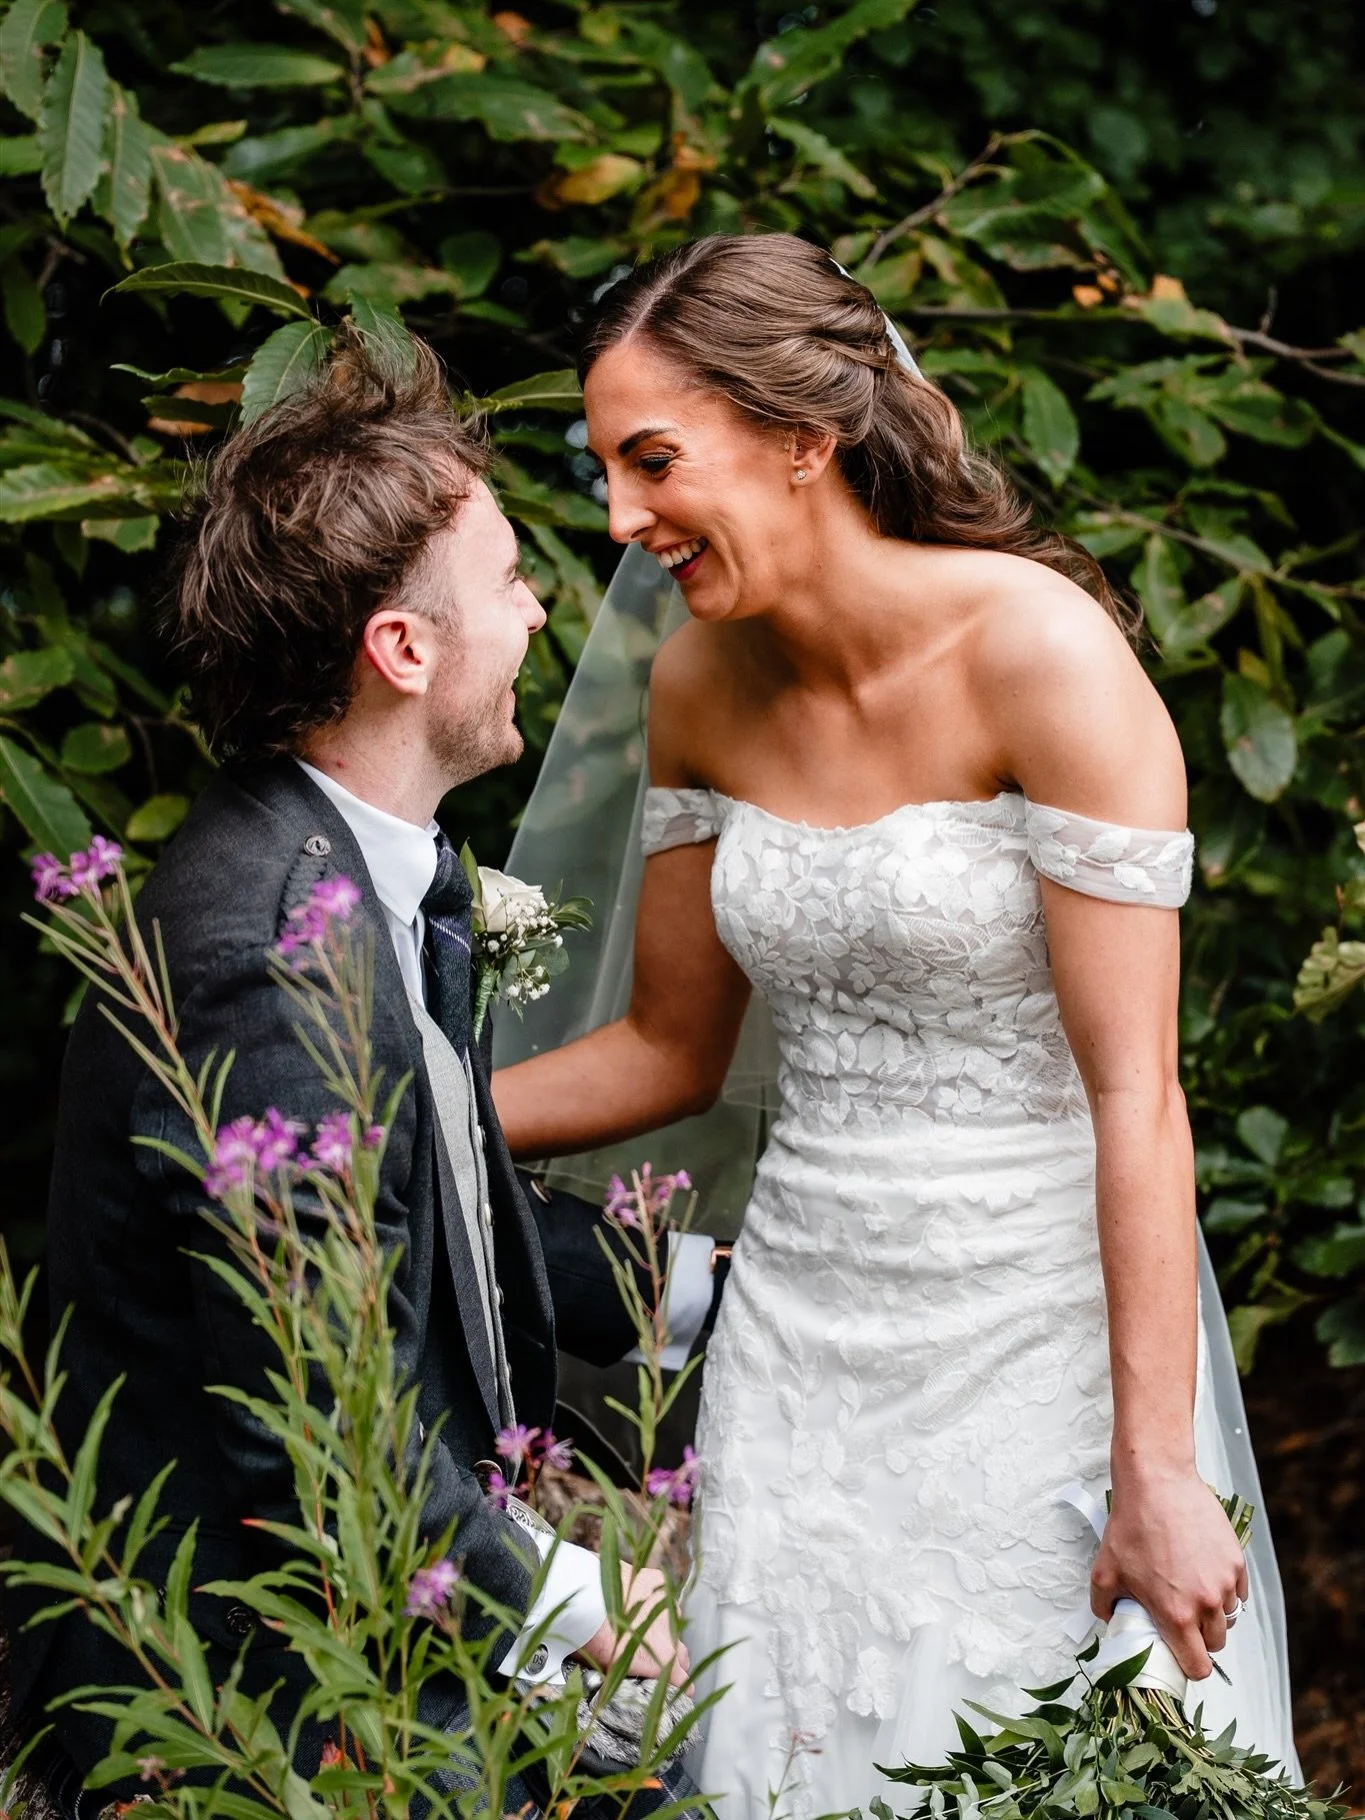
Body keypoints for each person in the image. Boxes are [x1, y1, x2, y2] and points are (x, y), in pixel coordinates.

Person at [490, 234, 1302, 1816]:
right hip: (800, 1339)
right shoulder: (700, 686)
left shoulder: (1040, 653)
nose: (620, 521)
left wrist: (1153, 1466)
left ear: (804, 433)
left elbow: (1137, 1096)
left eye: (653, 462)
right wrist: (415, 1112)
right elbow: (669, 1049)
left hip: (1034, 1335)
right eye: (604, 473)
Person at [9, 330, 704, 1820]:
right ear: (403, 650)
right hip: (264, 1712)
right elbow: (318, 1408)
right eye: (512, 578)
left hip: (374, 1623)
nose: (537, 610)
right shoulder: (270, 953)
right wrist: (578, 1601)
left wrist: (692, 1284)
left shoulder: (345, 870)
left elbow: (434, 1208)